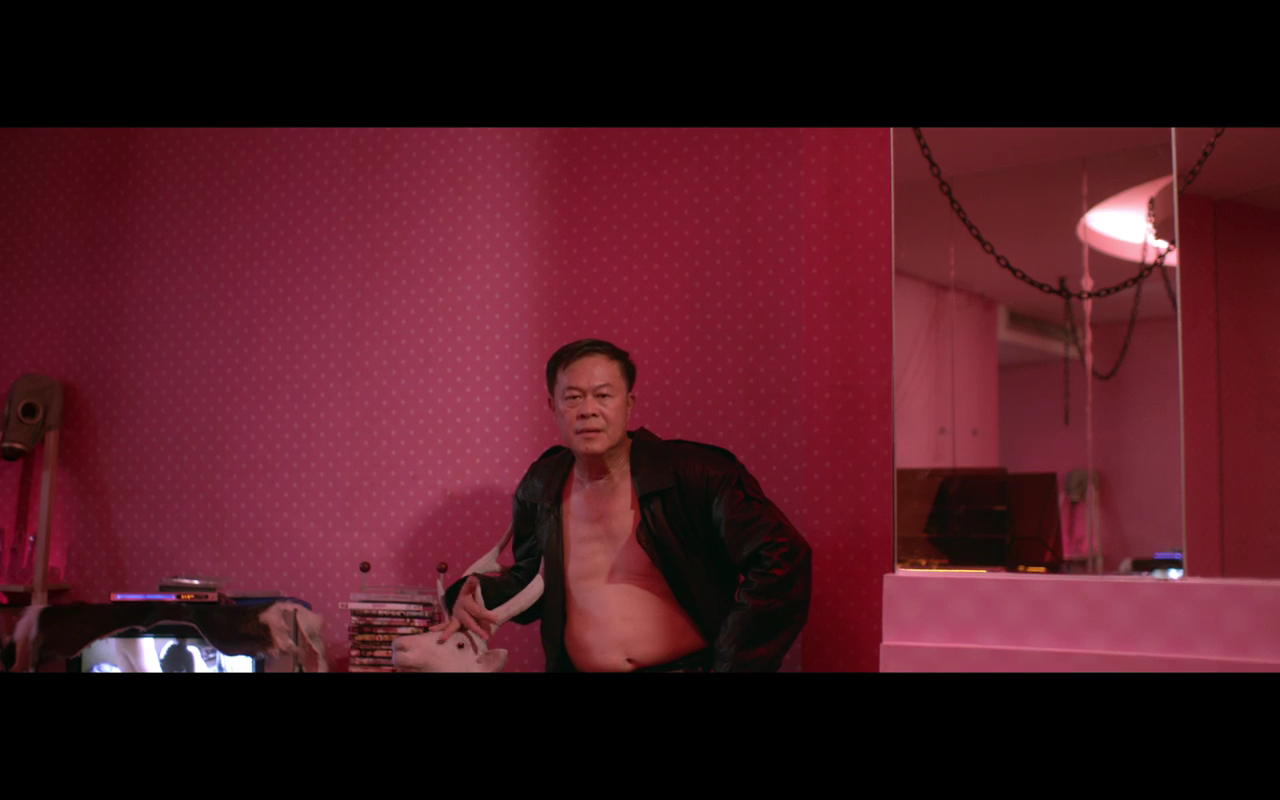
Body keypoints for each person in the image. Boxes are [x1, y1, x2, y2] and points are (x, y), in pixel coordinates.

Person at [431, 339, 812, 672]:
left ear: (629, 404)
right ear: (553, 406)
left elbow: (782, 558)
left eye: (603, 395)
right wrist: (472, 593)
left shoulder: (697, 474)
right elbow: (532, 584)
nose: (588, 410)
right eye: (573, 397)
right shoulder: (541, 484)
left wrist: (734, 664)